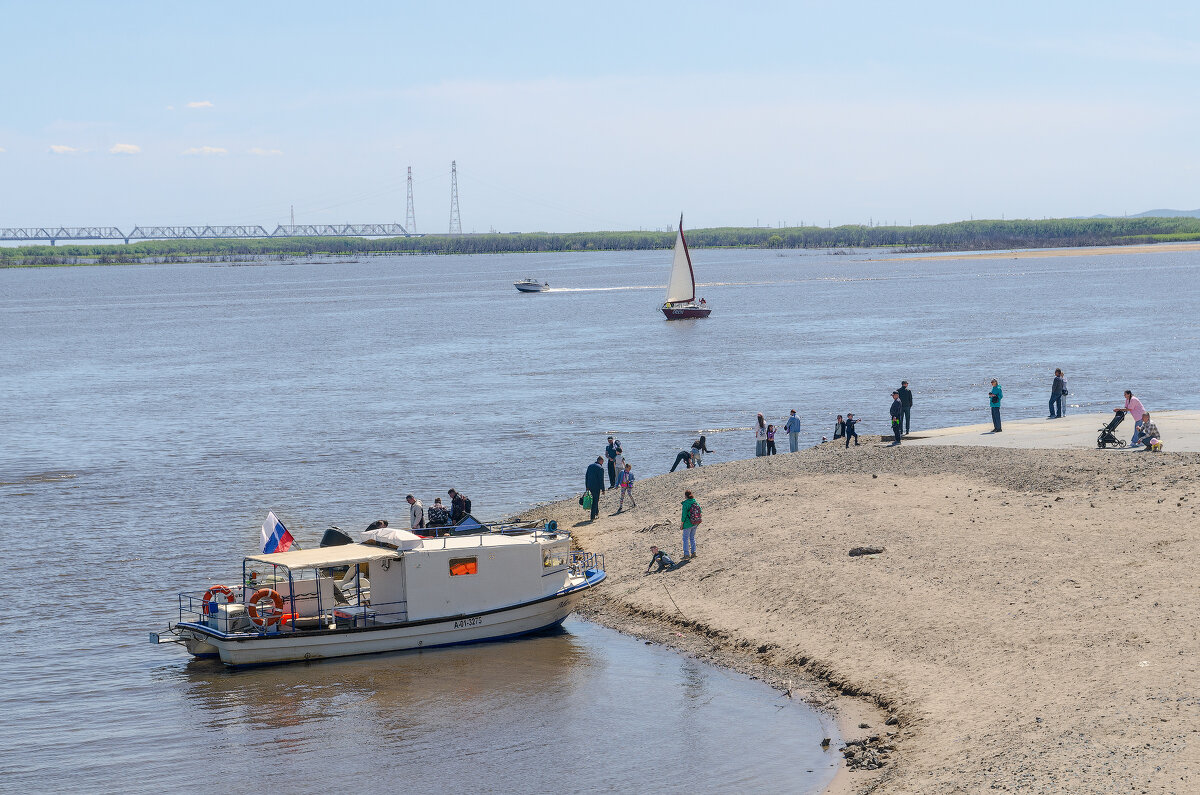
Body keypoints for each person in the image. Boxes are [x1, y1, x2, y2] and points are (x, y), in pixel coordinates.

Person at [680, 490, 701, 559]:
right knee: (692, 537)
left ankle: (686, 554)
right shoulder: (695, 501)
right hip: (695, 522)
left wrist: (682, 524)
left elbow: (684, 515)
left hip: (687, 524)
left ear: (685, 496)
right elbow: (700, 510)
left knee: (685, 538)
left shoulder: (685, 504)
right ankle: (693, 552)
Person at [585, 456, 606, 521]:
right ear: (601, 461)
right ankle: (592, 517)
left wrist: (586, 486)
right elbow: (601, 480)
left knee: (595, 500)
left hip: (589, 486)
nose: (602, 463)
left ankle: (596, 513)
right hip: (596, 487)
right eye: (602, 462)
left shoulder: (590, 466)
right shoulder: (600, 468)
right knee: (595, 501)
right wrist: (603, 489)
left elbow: (586, 477)